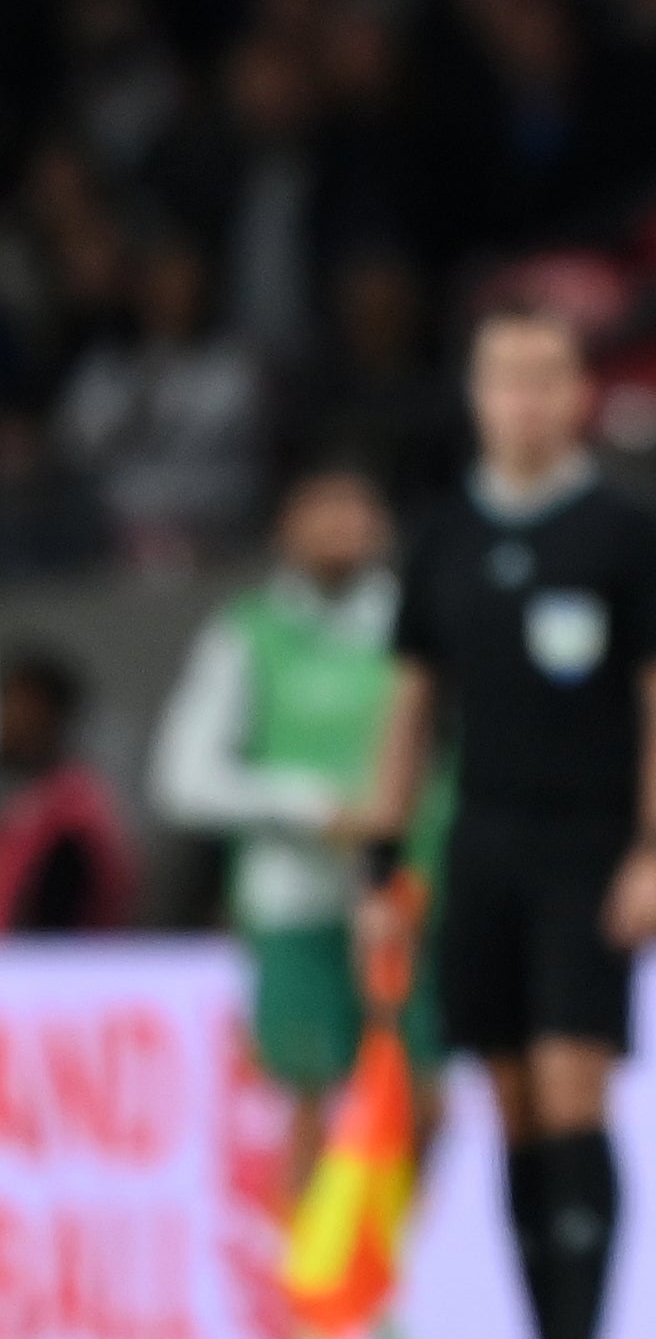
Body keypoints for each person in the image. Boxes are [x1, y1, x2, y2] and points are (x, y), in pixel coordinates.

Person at [355, 308, 656, 1339]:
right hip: (482, 846)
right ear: (475, 391)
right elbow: (411, 702)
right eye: (504, 375)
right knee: (506, 1097)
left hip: (590, 847)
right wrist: (381, 853)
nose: (525, 397)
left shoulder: (625, 531)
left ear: (579, 394)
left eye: (546, 376)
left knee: (571, 1086)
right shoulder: (445, 533)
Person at [152, 465, 447, 1228]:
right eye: (321, 512)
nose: (340, 529)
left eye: (356, 510)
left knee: (425, 1094)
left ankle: (380, 1274)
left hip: (407, 897)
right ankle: (310, 1309)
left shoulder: (421, 622)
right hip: (296, 901)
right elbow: (182, 777)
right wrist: (307, 808)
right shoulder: (248, 632)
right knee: (311, 1096)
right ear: (286, 526)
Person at [0, 647, 138, 930]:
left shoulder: (73, 819)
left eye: (12, 703)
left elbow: (50, 929)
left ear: (43, 712)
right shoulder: (31, 802)